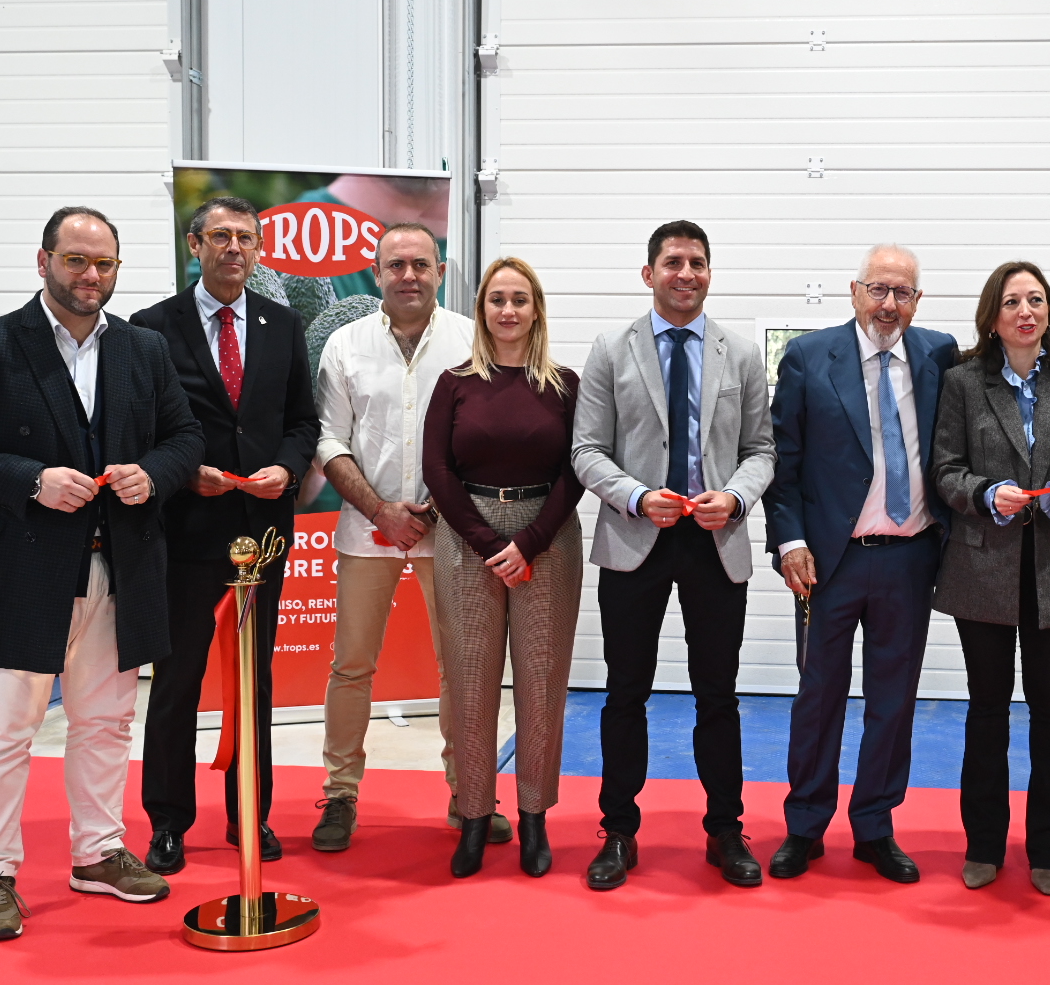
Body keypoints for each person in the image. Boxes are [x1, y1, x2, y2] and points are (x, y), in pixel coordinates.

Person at [0, 206, 204, 940]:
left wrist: (154, 474)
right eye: (76, 260)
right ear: (42, 261)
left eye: (104, 263)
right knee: (5, 731)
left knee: (106, 723)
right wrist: (30, 479)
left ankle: (97, 854)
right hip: (15, 570)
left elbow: (185, 437)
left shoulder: (141, 347)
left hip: (121, 568)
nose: (91, 275)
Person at [572, 220, 776, 890]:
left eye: (696, 262)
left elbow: (761, 450)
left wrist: (736, 499)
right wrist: (634, 496)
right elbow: (586, 450)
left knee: (718, 694)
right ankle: (618, 832)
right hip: (637, 539)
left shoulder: (739, 353)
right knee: (625, 692)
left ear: (709, 273)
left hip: (714, 542)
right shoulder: (611, 349)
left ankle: (725, 830)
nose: (685, 273)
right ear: (649, 273)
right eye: (672, 262)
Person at [131, 197, 320, 874]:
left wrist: (288, 469)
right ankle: (167, 823)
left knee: (253, 682)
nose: (233, 247)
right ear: (195, 245)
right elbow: (142, 430)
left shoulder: (282, 324)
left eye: (245, 237)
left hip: (261, 535)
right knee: (177, 680)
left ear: (259, 249)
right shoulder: (152, 328)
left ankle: (250, 814)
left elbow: (302, 420)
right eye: (220, 236)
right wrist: (185, 475)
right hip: (185, 533)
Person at [764, 245, 958, 883]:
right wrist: (790, 543)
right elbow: (784, 463)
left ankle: (875, 825)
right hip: (829, 562)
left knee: (893, 701)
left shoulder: (938, 354)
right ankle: (805, 825)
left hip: (910, 557)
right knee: (819, 696)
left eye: (902, 292)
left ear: (918, 301)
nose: (888, 304)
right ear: (854, 291)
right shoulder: (808, 357)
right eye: (878, 289)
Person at [930, 262, 1050, 896]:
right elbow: (945, 470)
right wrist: (985, 493)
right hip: (982, 565)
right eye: (1012, 302)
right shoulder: (962, 382)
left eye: (1036, 300)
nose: (1026, 312)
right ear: (993, 316)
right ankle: (983, 843)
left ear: (1049, 311)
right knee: (986, 710)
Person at [311, 222, 487, 850]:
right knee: (351, 666)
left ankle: (469, 793)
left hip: (453, 534)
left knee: (460, 668)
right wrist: (381, 510)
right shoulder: (345, 344)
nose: (408, 275)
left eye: (420, 264)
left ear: (441, 270)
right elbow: (329, 439)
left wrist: (442, 509)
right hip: (367, 530)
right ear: (377, 271)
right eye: (395, 265)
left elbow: (485, 436)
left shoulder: (473, 340)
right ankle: (339, 795)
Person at [423, 257, 585, 879]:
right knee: (470, 683)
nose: (508, 310)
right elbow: (437, 469)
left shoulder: (565, 385)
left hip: (549, 537)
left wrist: (532, 541)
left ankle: (535, 818)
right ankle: (472, 816)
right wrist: (489, 540)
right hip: (467, 538)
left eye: (520, 299)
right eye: (497, 300)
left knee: (542, 682)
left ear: (536, 309)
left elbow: (577, 469)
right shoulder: (455, 383)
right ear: (482, 310)